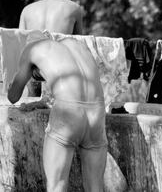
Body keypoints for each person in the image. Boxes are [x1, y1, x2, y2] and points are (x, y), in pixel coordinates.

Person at [7, 32, 107, 192]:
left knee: (57, 186)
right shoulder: (77, 45)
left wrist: (15, 83)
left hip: (68, 115)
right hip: (97, 113)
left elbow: (13, 96)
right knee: (96, 187)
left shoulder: (31, 49)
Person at [19, 0, 83, 96]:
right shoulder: (74, 7)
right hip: (59, 65)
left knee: (33, 103)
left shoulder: (27, 9)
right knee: (61, 104)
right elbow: (78, 41)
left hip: (32, 66)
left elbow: (20, 41)